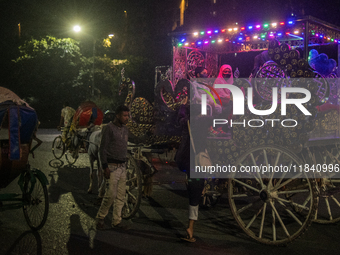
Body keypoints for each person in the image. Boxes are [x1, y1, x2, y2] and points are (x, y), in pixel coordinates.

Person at [175, 96, 207, 243]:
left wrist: (182, 106)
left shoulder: (189, 123)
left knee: (194, 195)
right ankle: (190, 227)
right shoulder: (204, 123)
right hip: (199, 162)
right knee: (195, 194)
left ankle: (190, 228)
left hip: (190, 162)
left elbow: (180, 119)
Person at [95, 105, 130, 230]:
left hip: (122, 167)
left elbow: (135, 139)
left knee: (121, 196)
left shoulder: (125, 129)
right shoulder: (109, 128)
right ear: (117, 115)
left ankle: (116, 221)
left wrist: (148, 134)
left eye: (127, 115)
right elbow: (102, 149)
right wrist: (105, 166)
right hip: (112, 166)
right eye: (124, 115)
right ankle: (100, 218)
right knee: (110, 195)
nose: (127, 118)